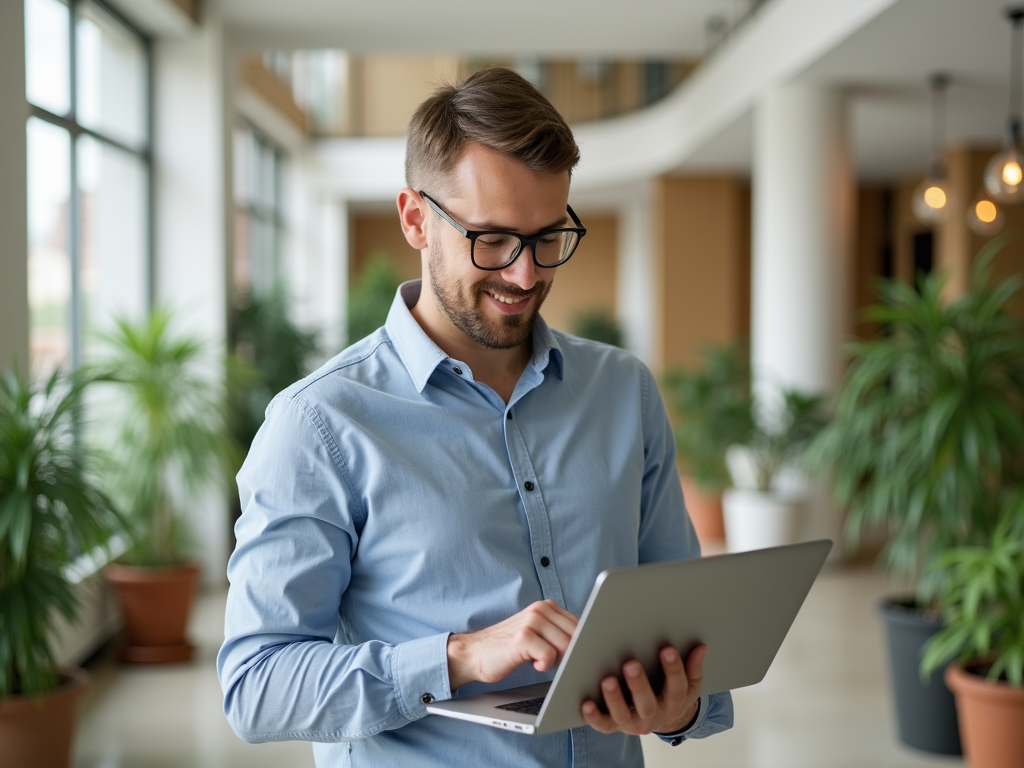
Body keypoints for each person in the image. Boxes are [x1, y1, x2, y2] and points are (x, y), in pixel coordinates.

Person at [218, 67, 734, 767]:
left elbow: (686, 637)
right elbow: (256, 688)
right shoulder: (320, 425)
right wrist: (456, 657)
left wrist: (682, 704)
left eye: (547, 236)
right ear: (414, 219)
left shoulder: (623, 392)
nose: (525, 275)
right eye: (491, 239)